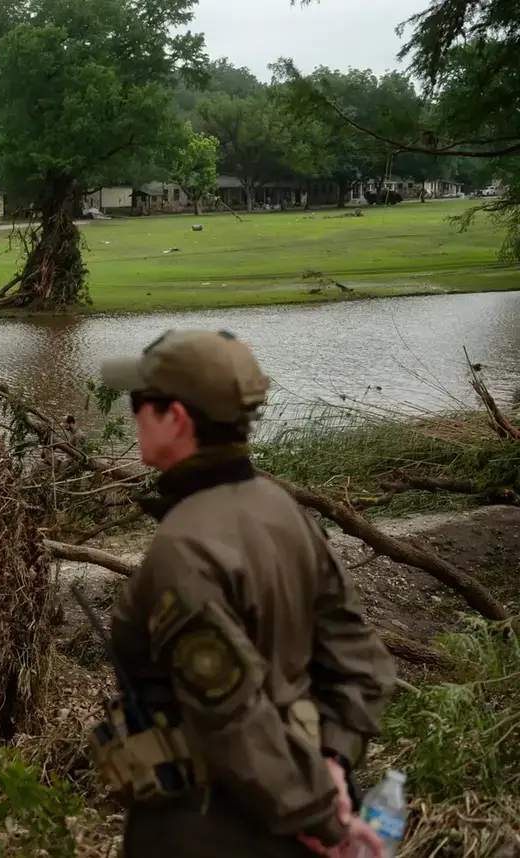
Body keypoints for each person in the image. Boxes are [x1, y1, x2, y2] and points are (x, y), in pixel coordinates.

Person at [87, 329, 396, 858]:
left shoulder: (182, 548)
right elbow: (363, 662)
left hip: (210, 831)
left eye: (140, 403)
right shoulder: (282, 510)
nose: (132, 414)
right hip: (292, 808)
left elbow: (230, 714)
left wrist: (321, 819)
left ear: (177, 418)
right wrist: (335, 766)